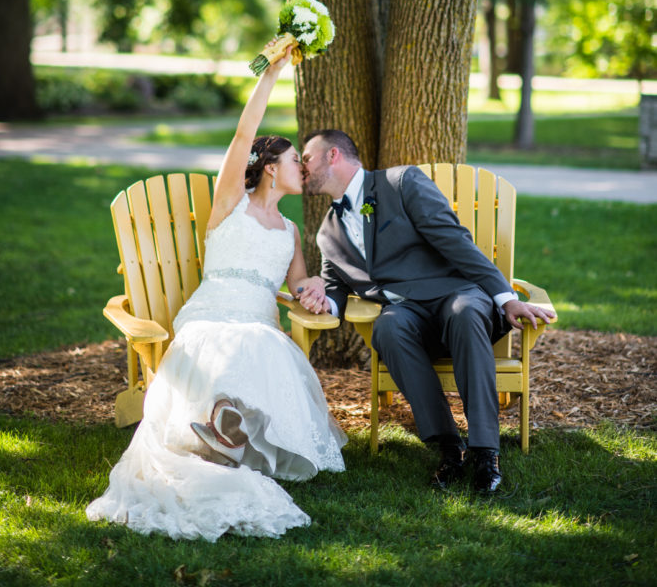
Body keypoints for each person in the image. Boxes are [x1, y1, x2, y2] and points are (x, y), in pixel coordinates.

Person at [86, 50, 346, 541]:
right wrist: (269, 76)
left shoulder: (291, 230)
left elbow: (297, 286)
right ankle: (220, 428)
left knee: (262, 342)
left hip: (257, 320)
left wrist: (314, 291)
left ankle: (224, 431)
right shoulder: (229, 204)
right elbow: (242, 136)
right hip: (211, 313)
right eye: (295, 161)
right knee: (227, 342)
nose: (302, 170)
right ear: (269, 167)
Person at [300, 129, 554, 494]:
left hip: (456, 295)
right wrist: (324, 300)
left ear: (333, 155)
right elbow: (336, 287)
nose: (302, 167)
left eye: (306, 158)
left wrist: (505, 297)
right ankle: (451, 448)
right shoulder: (327, 233)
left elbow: (454, 240)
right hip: (406, 315)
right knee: (387, 328)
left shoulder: (399, 182)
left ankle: (486, 451)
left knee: (466, 312)